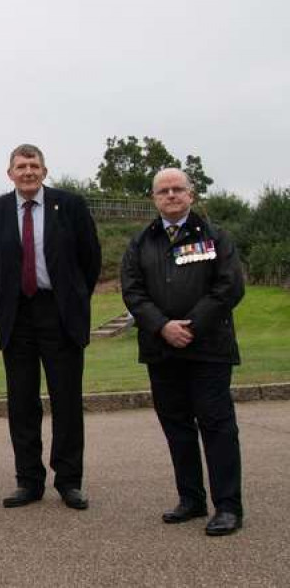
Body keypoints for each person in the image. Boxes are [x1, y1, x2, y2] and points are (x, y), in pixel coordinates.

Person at [121, 167, 245, 536]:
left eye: (178, 189)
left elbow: (229, 287)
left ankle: (228, 506)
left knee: (217, 426)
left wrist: (190, 325)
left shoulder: (215, 237)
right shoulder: (141, 242)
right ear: (154, 198)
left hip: (208, 349)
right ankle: (191, 499)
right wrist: (162, 326)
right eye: (164, 191)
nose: (172, 195)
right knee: (176, 426)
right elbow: (133, 291)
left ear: (191, 195)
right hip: (162, 351)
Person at [0, 144, 101, 511]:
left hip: (60, 313)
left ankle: (69, 481)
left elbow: (90, 260)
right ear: (10, 173)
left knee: (66, 400)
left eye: (34, 165)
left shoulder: (71, 206)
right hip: (18, 316)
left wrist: (74, 297)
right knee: (21, 402)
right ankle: (28, 480)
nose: (28, 171)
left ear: (44, 171)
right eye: (21, 166)